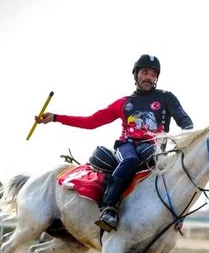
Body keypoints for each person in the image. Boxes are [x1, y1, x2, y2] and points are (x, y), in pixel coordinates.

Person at [35, 54, 194, 231]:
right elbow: (91, 121)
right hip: (127, 147)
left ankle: (175, 217)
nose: (149, 77)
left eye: (153, 74)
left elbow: (186, 122)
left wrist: (188, 138)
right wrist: (56, 118)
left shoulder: (166, 98)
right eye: (145, 72)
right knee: (131, 160)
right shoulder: (123, 103)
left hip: (153, 148)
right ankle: (108, 208)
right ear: (136, 74)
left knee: (177, 169)